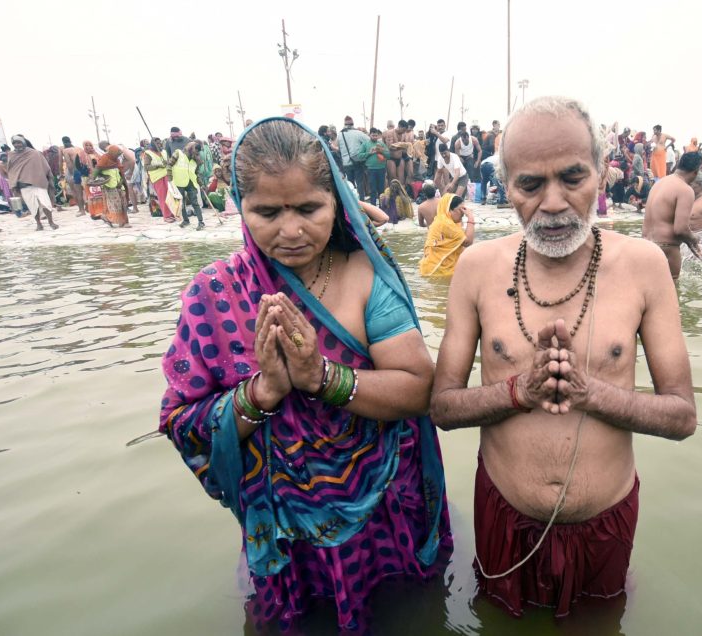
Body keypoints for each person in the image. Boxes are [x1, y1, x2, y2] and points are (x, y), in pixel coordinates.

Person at [159, 117, 451, 633]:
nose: (290, 230)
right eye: (267, 212)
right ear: (240, 207)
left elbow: (417, 389)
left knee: (406, 614)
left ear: (336, 199)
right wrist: (264, 391)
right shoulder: (213, 293)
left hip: (384, 515)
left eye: (308, 209)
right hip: (285, 529)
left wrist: (322, 377)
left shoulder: (364, 273)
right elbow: (184, 423)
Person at [429, 96, 698, 619]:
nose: (553, 203)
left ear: (601, 174)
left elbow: (683, 416)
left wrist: (589, 392)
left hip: (606, 520)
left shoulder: (644, 265)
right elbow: (442, 407)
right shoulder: (478, 267)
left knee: (599, 624)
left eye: (573, 178)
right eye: (530, 184)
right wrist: (518, 392)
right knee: (496, 621)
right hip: (502, 514)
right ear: (506, 187)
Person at [642, 151, 702, 280]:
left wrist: (689, 243)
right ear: (695, 172)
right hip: (666, 250)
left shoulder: (658, 184)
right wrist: (695, 238)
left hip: (645, 247)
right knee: (672, 296)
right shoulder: (685, 190)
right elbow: (680, 229)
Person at [5, 134, 58, 231]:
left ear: (24, 142)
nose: (17, 145)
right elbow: (11, 170)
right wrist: (14, 184)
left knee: (45, 203)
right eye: (15, 143)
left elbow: (44, 166)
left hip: (38, 183)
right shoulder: (11, 155)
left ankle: (51, 222)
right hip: (24, 185)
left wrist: (47, 177)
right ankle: (39, 224)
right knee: (33, 206)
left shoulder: (35, 153)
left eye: (19, 142)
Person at [418, 194, 475, 277]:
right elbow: (468, 242)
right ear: (449, 210)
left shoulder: (443, 220)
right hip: (438, 271)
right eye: (461, 210)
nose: (463, 213)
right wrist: (470, 217)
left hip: (435, 268)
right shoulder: (446, 224)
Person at [90, 145, 132, 228]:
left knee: (123, 204)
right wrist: (94, 180)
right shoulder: (104, 159)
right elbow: (95, 173)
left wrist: (121, 182)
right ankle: (121, 222)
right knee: (116, 205)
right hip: (110, 187)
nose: (118, 156)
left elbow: (120, 173)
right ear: (112, 152)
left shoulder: (116, 160)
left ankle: (122, 221)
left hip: (119, 186)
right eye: (117, 154)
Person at [170, 142, 204, 230]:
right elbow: (169, 165)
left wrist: (201, 184)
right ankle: (186, 220)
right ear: (190, 148)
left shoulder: (195, 159)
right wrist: (170, 179)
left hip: (191, 183)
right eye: (195, 150)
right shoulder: (178, 153)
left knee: (195, 203)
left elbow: (196, 173)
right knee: (182, 203)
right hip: (179, 182)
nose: (196, 153)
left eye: (198, 151)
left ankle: (201, 222)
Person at [338, 116, 371, 202]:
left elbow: (339, 149)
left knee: (351, 184)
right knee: (360, 182)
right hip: (357, 161)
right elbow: (369, 141)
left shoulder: (340, 135)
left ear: (344, 124)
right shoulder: (358, 133)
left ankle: (353, 201)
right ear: (353, 124)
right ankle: (362, 201)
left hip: (346, 163)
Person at [143, 138, 174, 222]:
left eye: (160, 143)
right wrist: (158, 165)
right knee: (163, 196)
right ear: (153, 144)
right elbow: (146, 167)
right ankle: (166, 216)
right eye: (157, 143)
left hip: (166, 175)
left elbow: (168, 162)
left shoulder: (164, 152)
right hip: (157, 177)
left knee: (170, 195)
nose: (160, 145)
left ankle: (172, 213)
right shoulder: (148, 153)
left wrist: (167, 163)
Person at [357, 128, 389, 205]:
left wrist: (382, 151)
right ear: (369, 135)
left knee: (381, 189)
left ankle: (382, 207)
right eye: (373, 135)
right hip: (371, 170)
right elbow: (359, 156)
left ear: (378, 136)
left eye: (376, 135)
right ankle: (373, 206)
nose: (375, 137)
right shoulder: (365, 144)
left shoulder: (381, 144)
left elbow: (388, 155)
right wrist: (369, 153)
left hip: (381, 169)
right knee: (373, 189)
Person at [61, 136, 91, 216]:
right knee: (86, 190)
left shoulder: (65, 150)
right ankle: (88, 207)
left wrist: (71, 174)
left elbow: (69, 163)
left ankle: (81, 210)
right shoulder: (78, 148)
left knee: (77, 192)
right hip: (84, 170)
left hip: (76, 171)